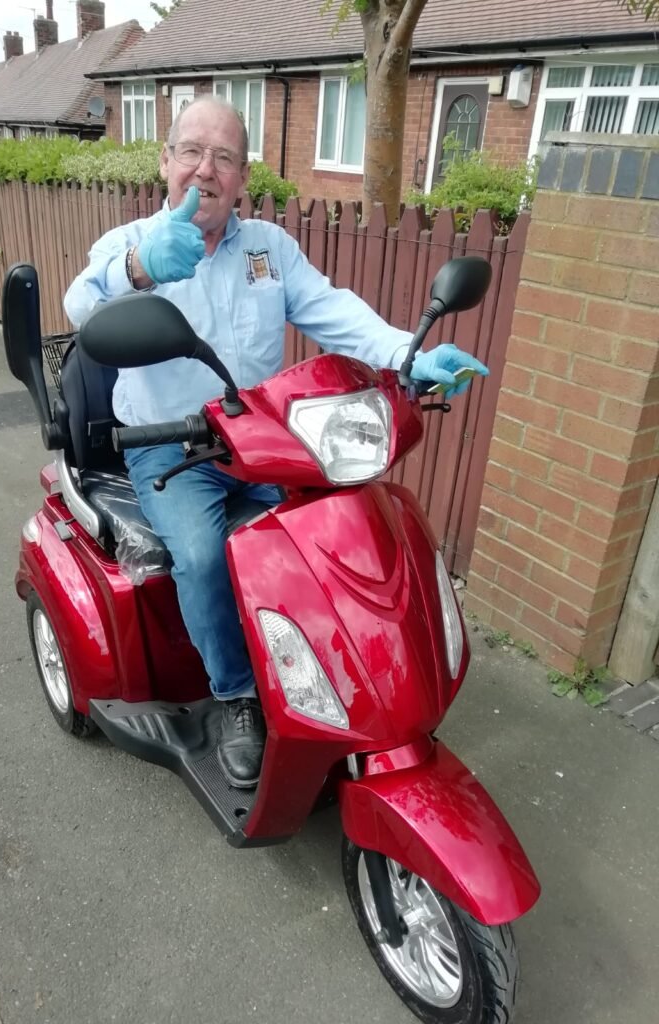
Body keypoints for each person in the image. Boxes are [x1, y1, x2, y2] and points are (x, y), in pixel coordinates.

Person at [64, 96, 488, 789]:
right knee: (203, 556)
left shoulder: (268, 249)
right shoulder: (130, 242)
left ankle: (329, 677)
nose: (206, 169)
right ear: (166, 161)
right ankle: (236, 696)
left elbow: (333, 310)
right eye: (192, 151)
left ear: (243, 176)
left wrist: (407, 355)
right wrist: (140, 268)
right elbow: (80, 305)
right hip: (168, 447)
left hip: (259, 438)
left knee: (326, 537)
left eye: (224, 157)